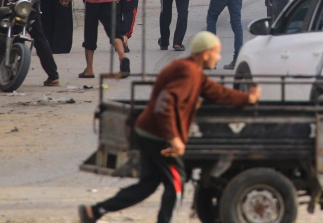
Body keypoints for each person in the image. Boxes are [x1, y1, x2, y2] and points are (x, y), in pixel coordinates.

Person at [78, 31, 261, 223]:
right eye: (217, 53)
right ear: (205, 53)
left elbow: (218, 93)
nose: (219, 57)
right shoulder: (188, 73)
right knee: (175, 183)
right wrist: (173, 138)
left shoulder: (192, 71)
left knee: (148, 184)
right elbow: (165, 105)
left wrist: (247, 98)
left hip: (147, 132)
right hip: (157, 136)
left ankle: (95, 211)